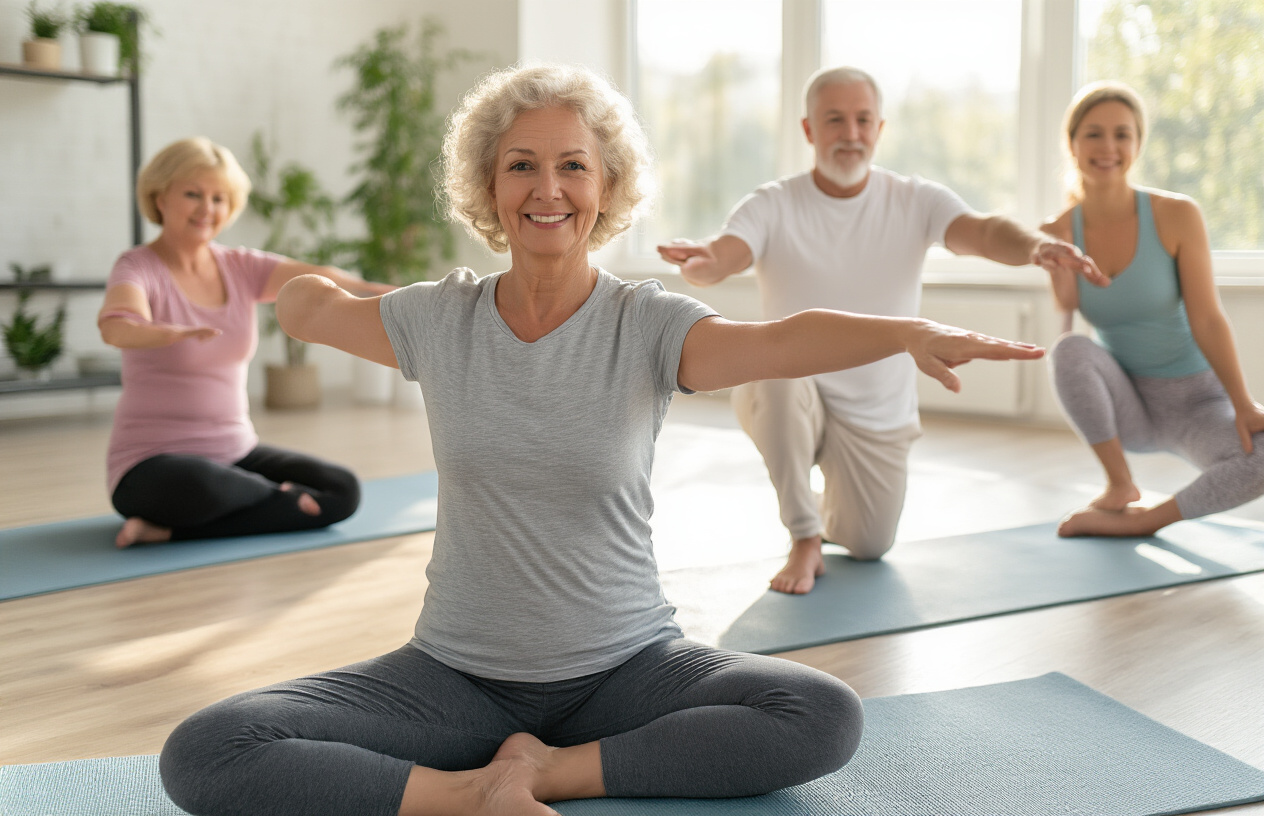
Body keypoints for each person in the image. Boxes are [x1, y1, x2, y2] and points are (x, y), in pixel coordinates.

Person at [157, 65, 1045, 816]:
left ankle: (550, 771)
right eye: (522, 167)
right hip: (454, 676)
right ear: (488, 188)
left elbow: (780, 339)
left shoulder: (647, 324)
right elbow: (308, 307)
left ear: (607, 187)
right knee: (209, 748)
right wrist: (346, 300)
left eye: (573, 166)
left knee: (821, 714)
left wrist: (905, 331)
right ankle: (469, 795)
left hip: (628, 668)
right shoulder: (436, 319)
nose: (548, 189)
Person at [658, 66, 1107, 595]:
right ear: (809, 130)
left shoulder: (915, 199)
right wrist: (705, 262)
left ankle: (830, 507)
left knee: (870, 544)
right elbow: (725, 253)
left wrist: (1035, 246)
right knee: (773, 373)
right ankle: (803, 536)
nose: (850, 133)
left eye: (862, 120)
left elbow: (983, 231)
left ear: (879, 128)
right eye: (834, 120)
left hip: (876, 413)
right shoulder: (773, 203)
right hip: (792, 391)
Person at [98, 137, 390, 548]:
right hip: (151, 465)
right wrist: (168, 333)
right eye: (193, 194)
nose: (207, 209)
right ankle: (275, 498)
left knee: (342, 490)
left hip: (235, 451)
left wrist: (396, 295)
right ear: (159, 196)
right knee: (204, 484)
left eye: (219, 198)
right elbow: (116, 325)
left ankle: (166, 530)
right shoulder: (138, 267)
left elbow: (326, 279)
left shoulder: (239, 266)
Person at [1040, 83, 1264, 537]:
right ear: (1072, 144)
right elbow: (1068, 305)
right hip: (1130, 405)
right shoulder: (1059, 228)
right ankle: (1120, 485)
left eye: (1122, 134)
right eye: (1094, 134)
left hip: (1198, 403)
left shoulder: (1177, 214)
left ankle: (1144, 522)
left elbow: (1207, 318)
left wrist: (1243, 403)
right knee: (1069, 349)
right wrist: (1056, 259)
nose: (1108, 147)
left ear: (1137, 144)